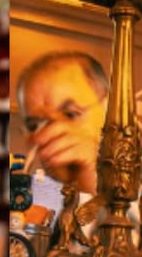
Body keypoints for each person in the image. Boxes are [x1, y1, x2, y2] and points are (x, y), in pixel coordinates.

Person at [17, 51, 109, 195]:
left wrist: (92, 178)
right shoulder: (22, 201)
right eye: (35, 125)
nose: (54, 131)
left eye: (71, 114)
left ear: (109, 111)